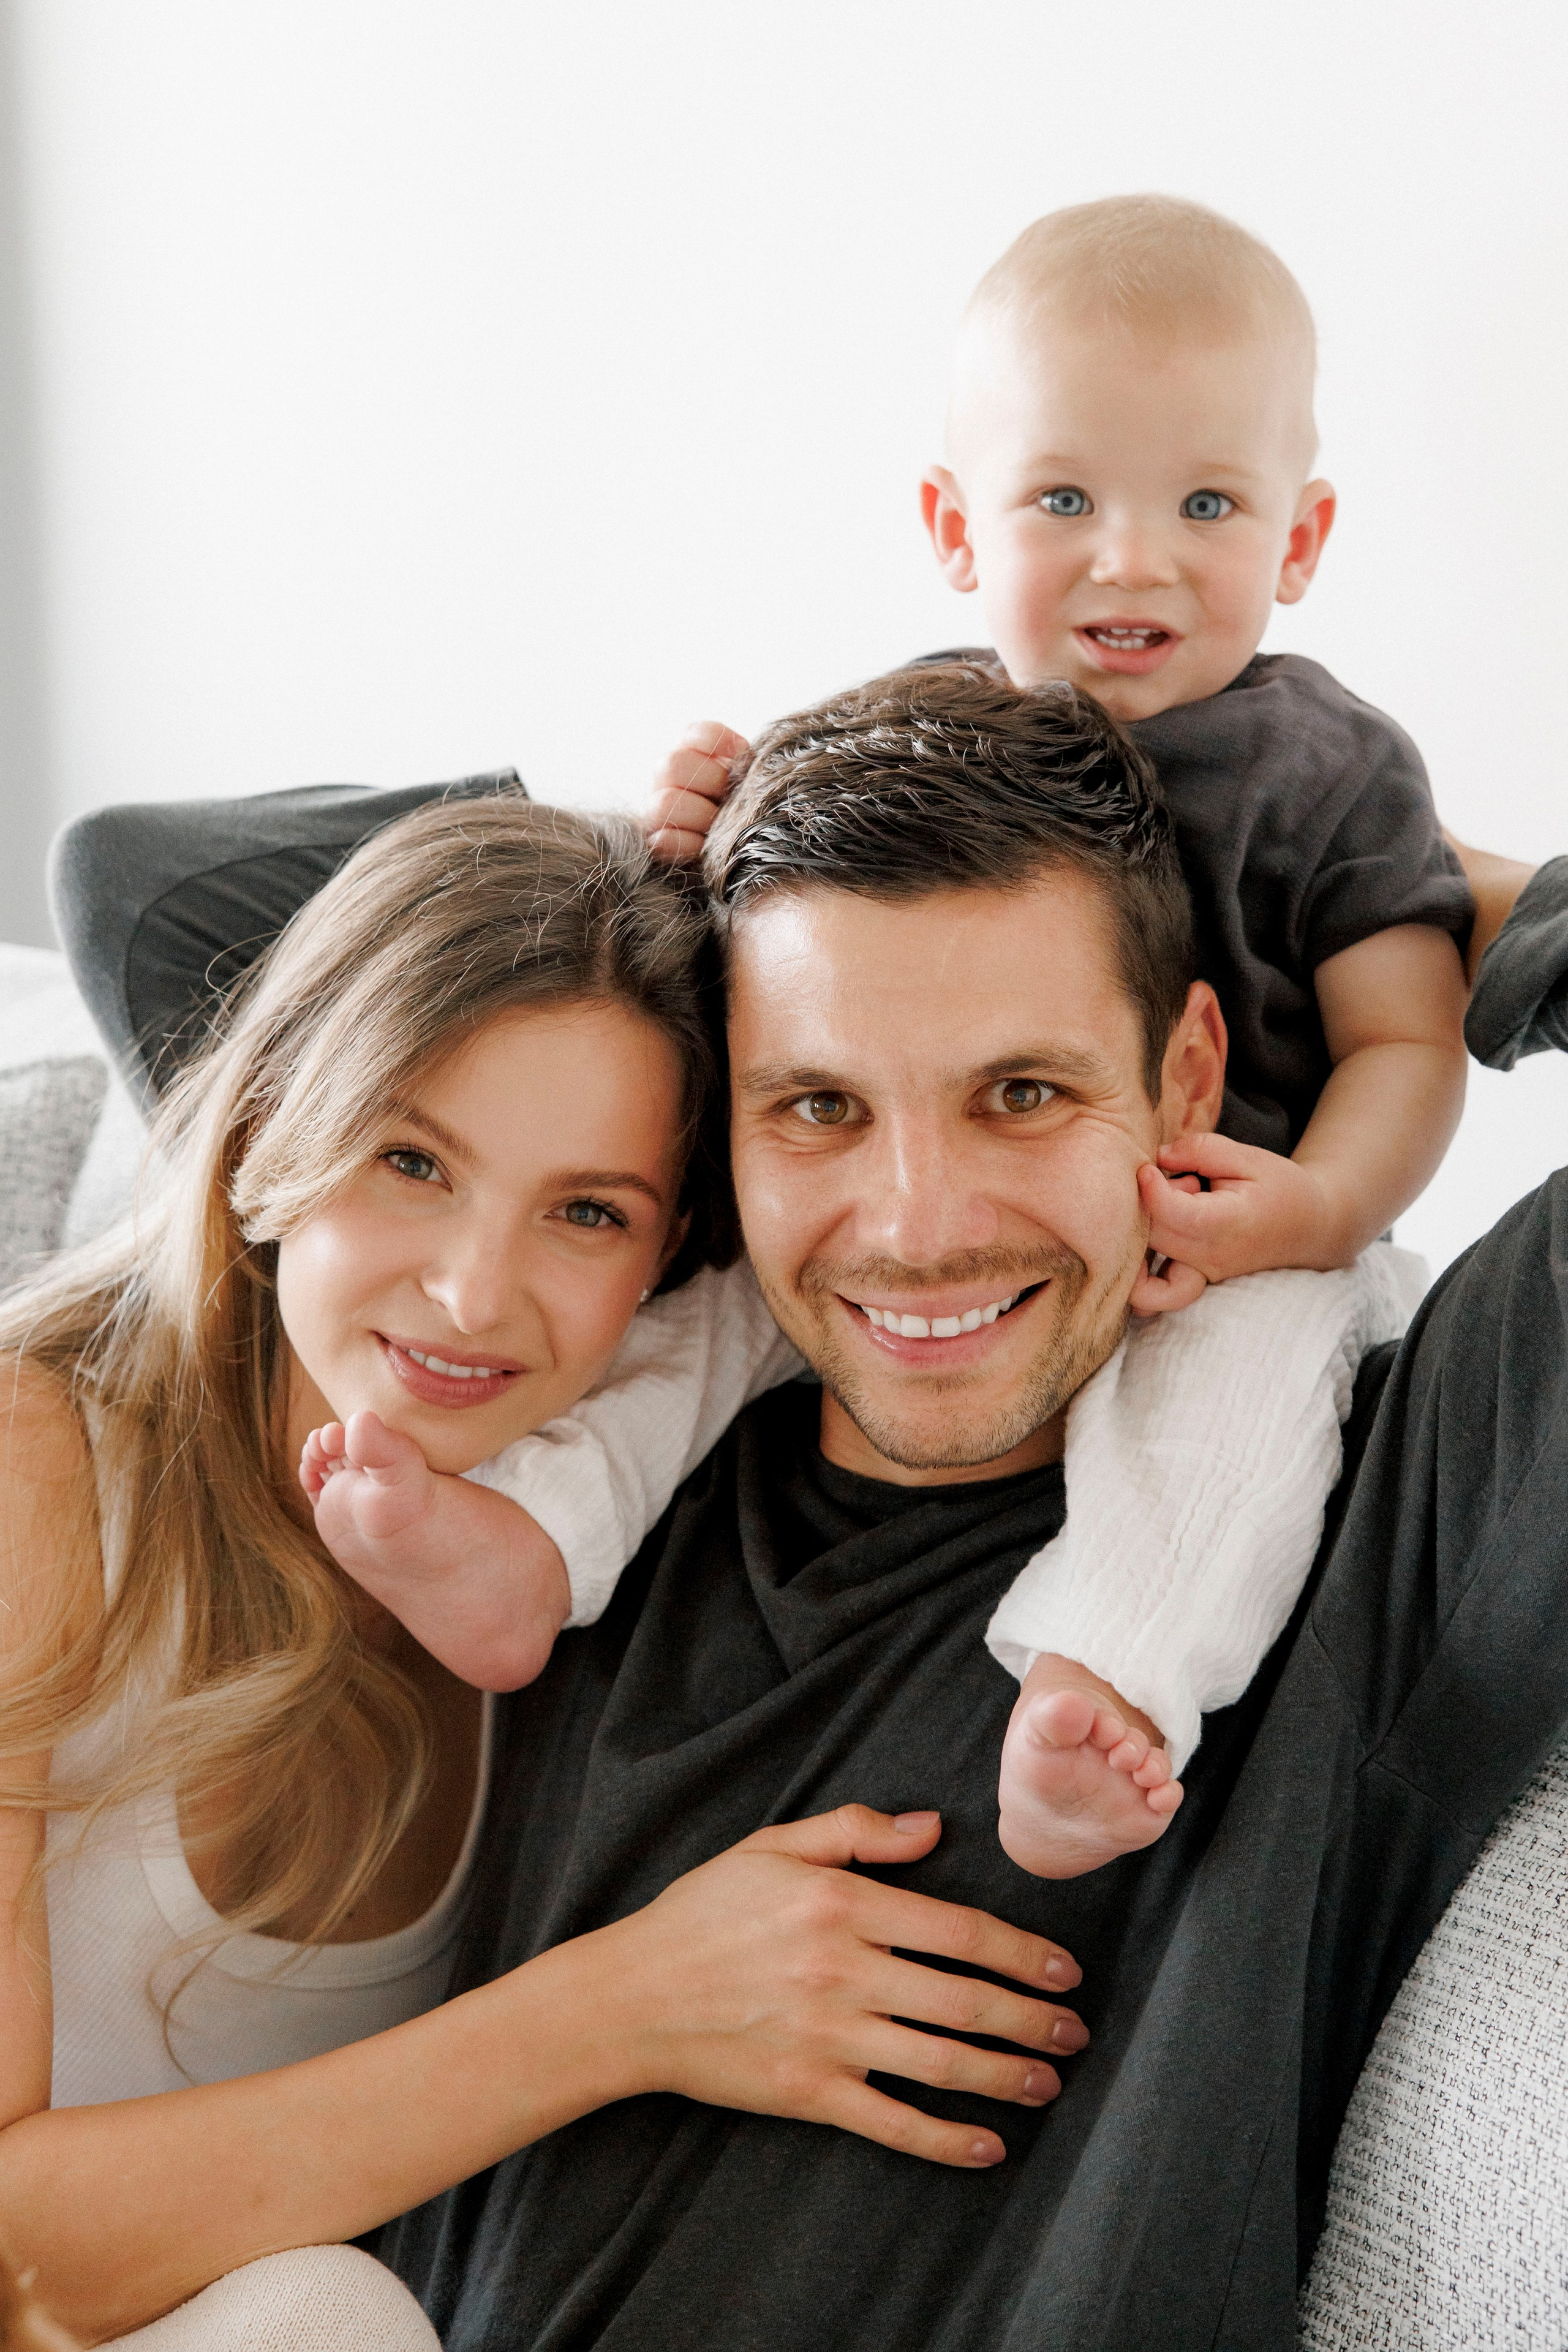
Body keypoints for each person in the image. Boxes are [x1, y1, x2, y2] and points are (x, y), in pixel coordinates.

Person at [55, 703, 1568, 2350]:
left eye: (1021, 1092)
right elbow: (150, 895)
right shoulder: (587, 1450)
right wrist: (691, 863)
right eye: (820, 1107)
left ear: (1190, 1070)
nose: (916, 1225)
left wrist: (1379, 884)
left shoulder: (1362, 1495)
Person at [286, 196, 1480, 1879]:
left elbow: (1410, 1044)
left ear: (1301, 539)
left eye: (1205, 504)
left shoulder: (1333, 773)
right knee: (702, 1321)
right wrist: (673, 831)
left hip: (1235, 1228)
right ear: (950, 522)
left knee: (1246, 1390)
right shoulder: (913, 722)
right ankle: (531, 1550)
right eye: (1063, 499)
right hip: (1017, 1275)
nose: (1129, 557)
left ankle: (1109, 1682)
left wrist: (1316, 1210)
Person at [0, 791, 1091, 2346]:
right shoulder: (34, 1464)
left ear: (668, 1274)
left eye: (586, 1212)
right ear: (268, 1134)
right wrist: (624, 2009)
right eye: (410, 1160)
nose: (471, 1295)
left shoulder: (584, 1547)